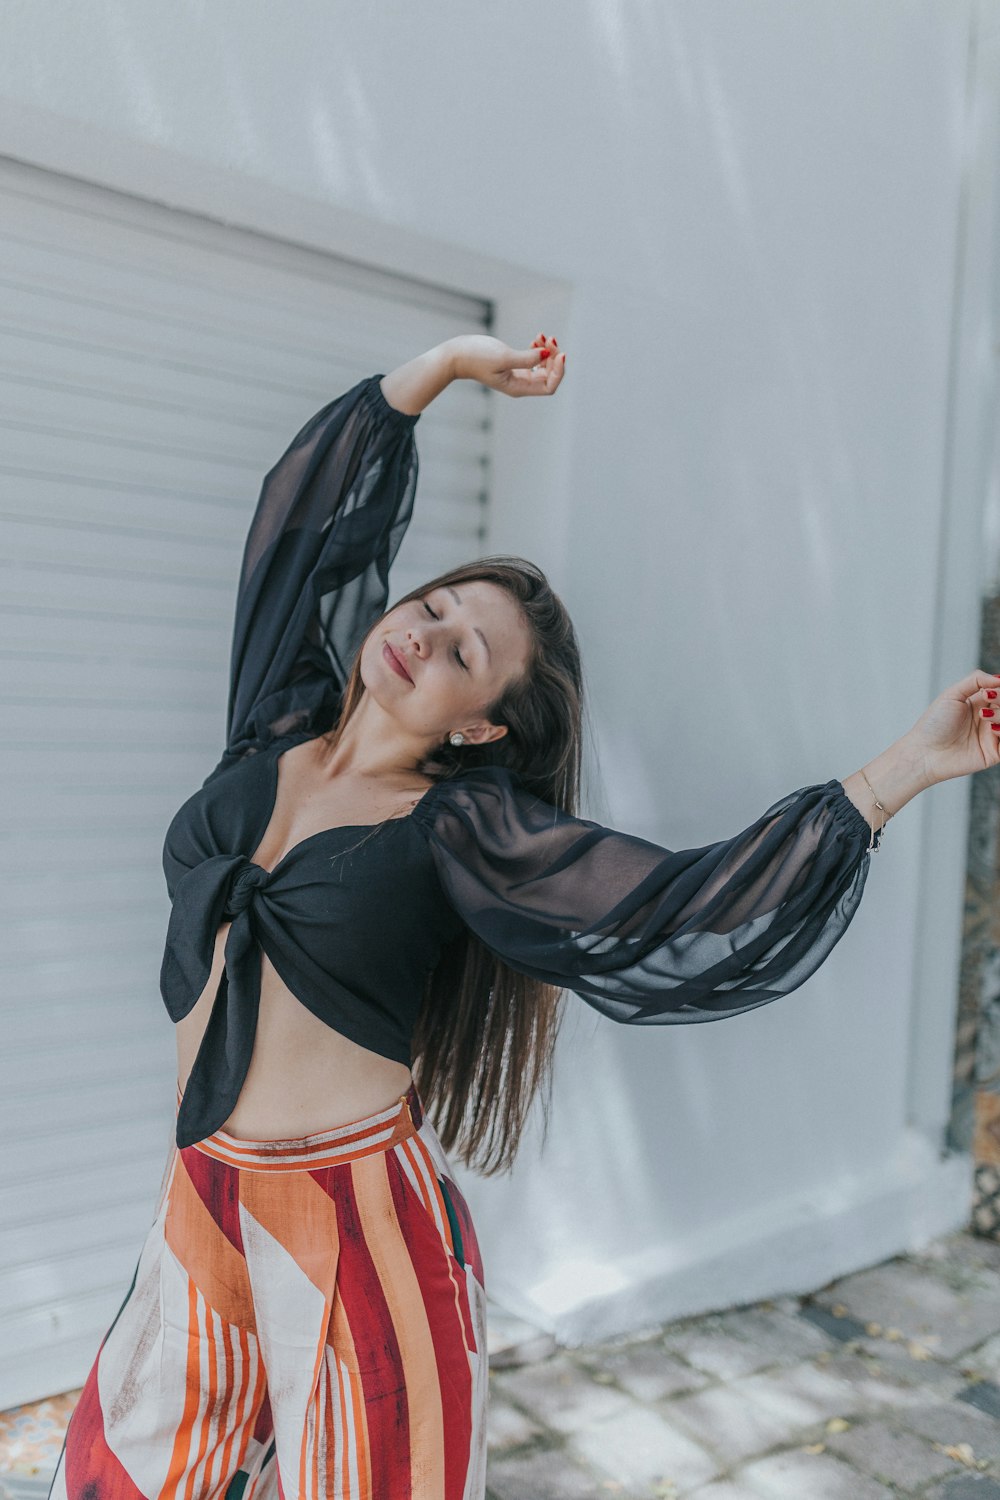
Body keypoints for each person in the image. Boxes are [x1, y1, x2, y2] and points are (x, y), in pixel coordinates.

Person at [50, 333, 1000, 1500]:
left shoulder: (457, 832)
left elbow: (680, 911)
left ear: (482, 727)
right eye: (434, 605)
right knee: (119, 1481)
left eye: (464, 652)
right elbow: (300, 526)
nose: (424, 633)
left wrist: (903, 768)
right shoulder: (274, 727)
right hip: (200, 1190)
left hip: (358, 1231)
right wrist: (442, 369)